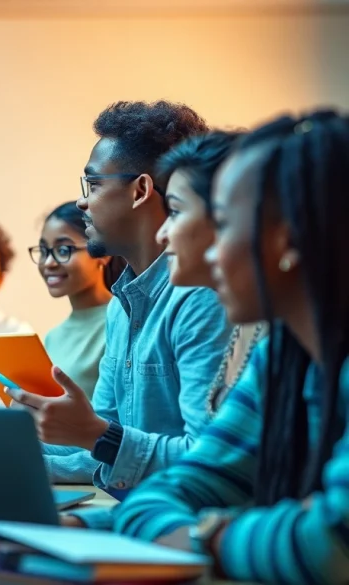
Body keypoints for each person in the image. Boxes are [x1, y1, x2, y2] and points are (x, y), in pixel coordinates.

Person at [114, 111, 349, 584]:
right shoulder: (281, 359)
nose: (212, 251)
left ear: (289, 239)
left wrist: (209, 537)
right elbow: (161, 495)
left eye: (222, 224)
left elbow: (331, 545)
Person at [6, 101, 230, 529]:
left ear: (140, 191)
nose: (82, 202)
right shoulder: (121, 306)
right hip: (133, 517)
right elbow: (104, 442)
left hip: (182, 531)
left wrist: (96, 434)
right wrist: (2, 452)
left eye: (92, 184)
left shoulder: (201, 299)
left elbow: (207, 461)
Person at [155, 131, 267, 417]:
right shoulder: (246, 322)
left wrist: (99, 436)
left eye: (175, 211)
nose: (161, 234)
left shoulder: (280, 336)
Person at [28, 202, 126, 400]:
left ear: (102, 252)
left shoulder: (123, 321)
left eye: (64, 250)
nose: (49, 263)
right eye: (44, 251)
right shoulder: (52, 337)